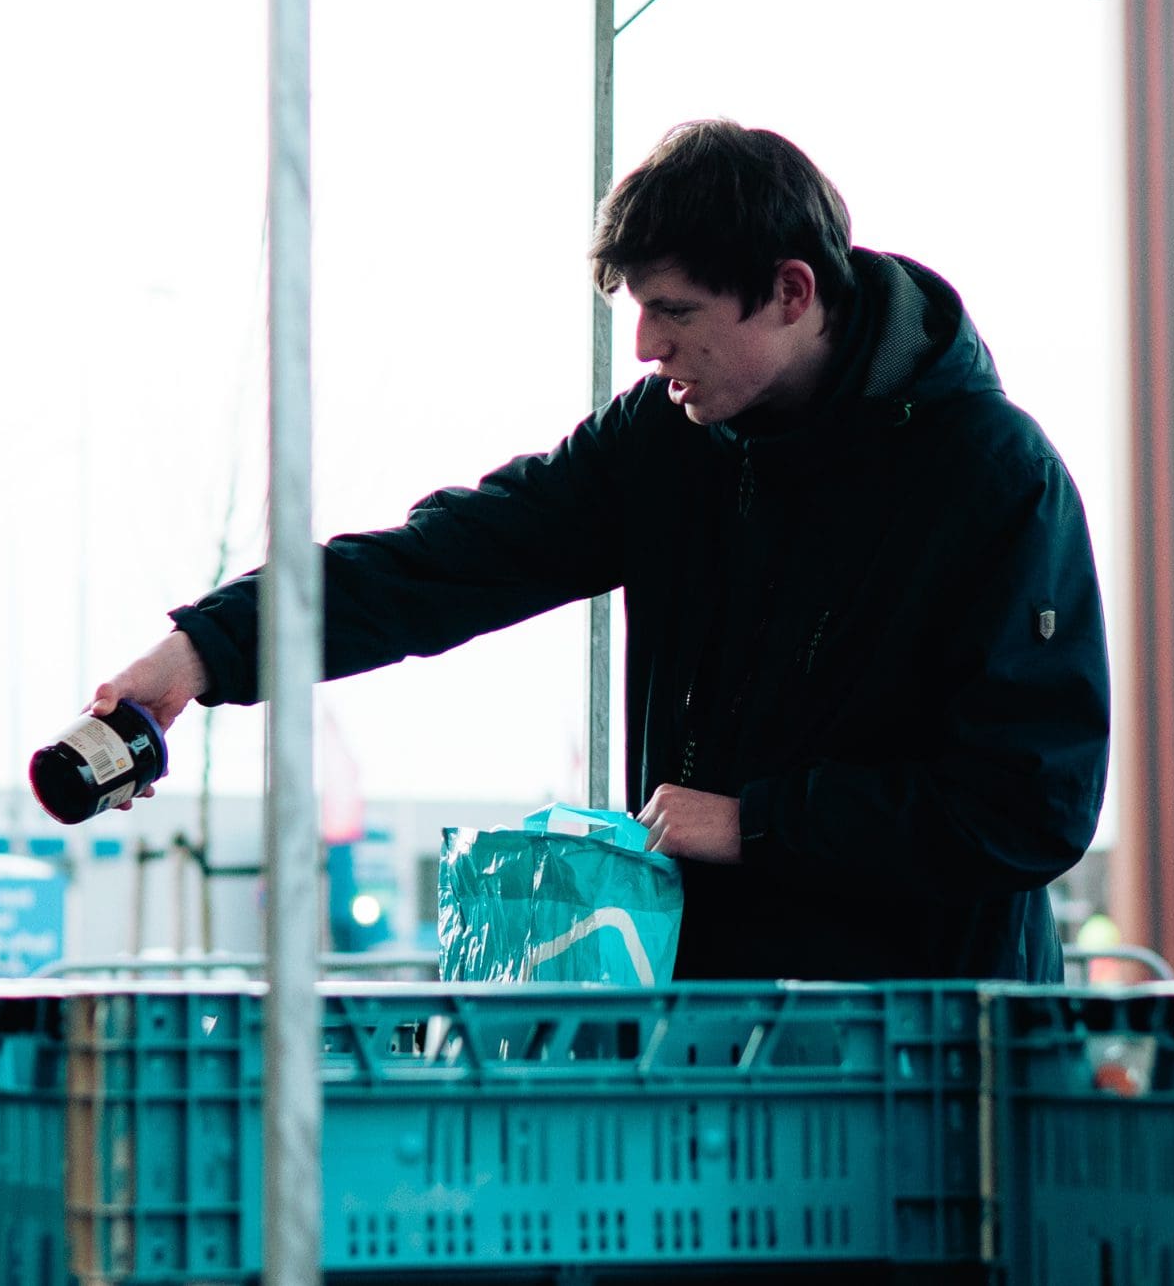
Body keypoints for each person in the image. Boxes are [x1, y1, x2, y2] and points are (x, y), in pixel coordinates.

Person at [94, 119, 1110, 981]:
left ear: (791, 292)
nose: (645, 348)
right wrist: (207, 651)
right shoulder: (664, 444)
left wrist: (756, 824)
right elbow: (447, 559)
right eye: (637, 313)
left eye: (674, 312)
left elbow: (1028, 807)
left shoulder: (990, 478)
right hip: (705, 1033)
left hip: (923, 1057)